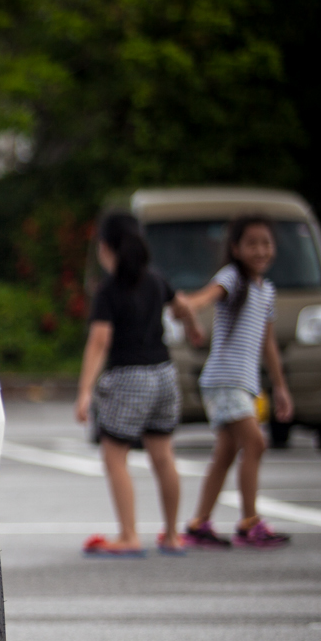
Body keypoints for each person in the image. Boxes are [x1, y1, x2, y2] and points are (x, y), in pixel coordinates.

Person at [75, 212, 199, 556]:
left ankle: (129, 535)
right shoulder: (157, 280)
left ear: (104, 248)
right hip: (164, 375)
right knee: (163, 456)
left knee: (115, 457)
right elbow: (182, 306)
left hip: (129, 377)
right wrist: (193, 328)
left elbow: (99, 341)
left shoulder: (109, 290)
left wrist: (85, 392)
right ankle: (173, 535)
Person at [178, 215, 293, 548]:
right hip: (224, 380)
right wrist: (189, 306)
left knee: (226, 454)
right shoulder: (232, 278)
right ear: (235, 248)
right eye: (252, 243)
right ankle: (249, 523)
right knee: (255, 443)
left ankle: (198, 524)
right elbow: (208, 296)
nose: (260, 250)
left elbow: (267, 343)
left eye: (266, 243)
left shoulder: (265, 291)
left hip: (242, 382)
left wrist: (280, 386)